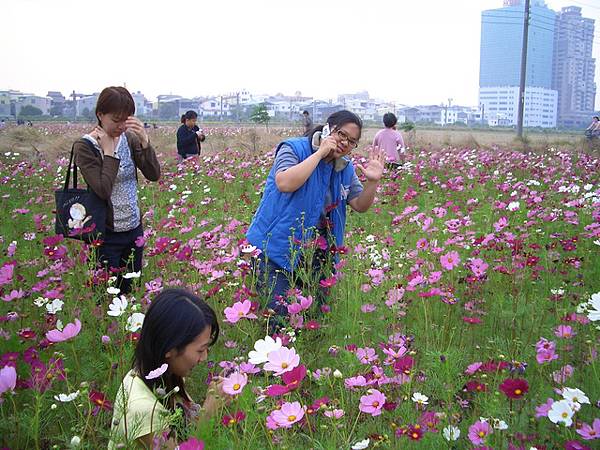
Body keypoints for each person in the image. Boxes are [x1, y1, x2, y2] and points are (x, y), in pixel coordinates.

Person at [246, 110, 385, 324]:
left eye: (352, 141)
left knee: (314, 319)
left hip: (317, 254)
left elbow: (360, 204)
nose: (345, 143)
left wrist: (373, 183)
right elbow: (284, 183)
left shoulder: (344, 167)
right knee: (279, 318)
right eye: (341, 134)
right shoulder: (293, 148)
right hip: (274, 249)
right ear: (328, 128)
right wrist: (319, 154)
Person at [108, 288, 225, 449]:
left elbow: (185, 431)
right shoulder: (144, 411)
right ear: (170, 348)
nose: (204, 357)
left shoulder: (157, 373)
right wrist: (209, 412)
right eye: (200, 349)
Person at [74, 86, 161, 294]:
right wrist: (109, 152)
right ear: (100, 115)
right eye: (116, 120)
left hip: (133, 228)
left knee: (130, 291)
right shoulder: (85, 147)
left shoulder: (129, 139)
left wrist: (145, 143)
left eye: (126, 120)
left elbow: (153, 174)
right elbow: (103, 190)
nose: (122, 126)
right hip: (105, 234)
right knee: (106, 294)